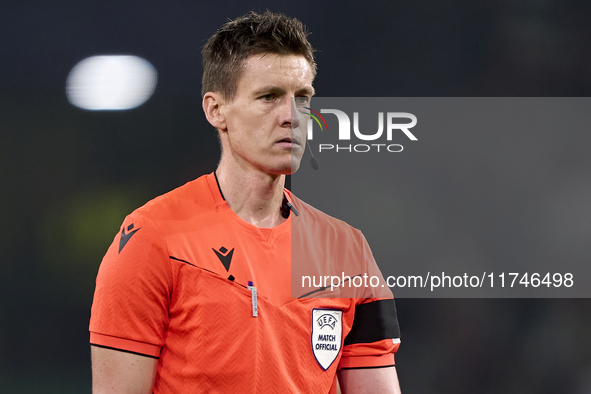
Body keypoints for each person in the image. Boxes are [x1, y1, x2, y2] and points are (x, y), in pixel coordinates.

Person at [90, 11, 401, 393]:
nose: (291, 117)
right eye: (269, 97)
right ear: (215, 110)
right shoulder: (151, 238)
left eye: (302, 99)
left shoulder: (348, 250)